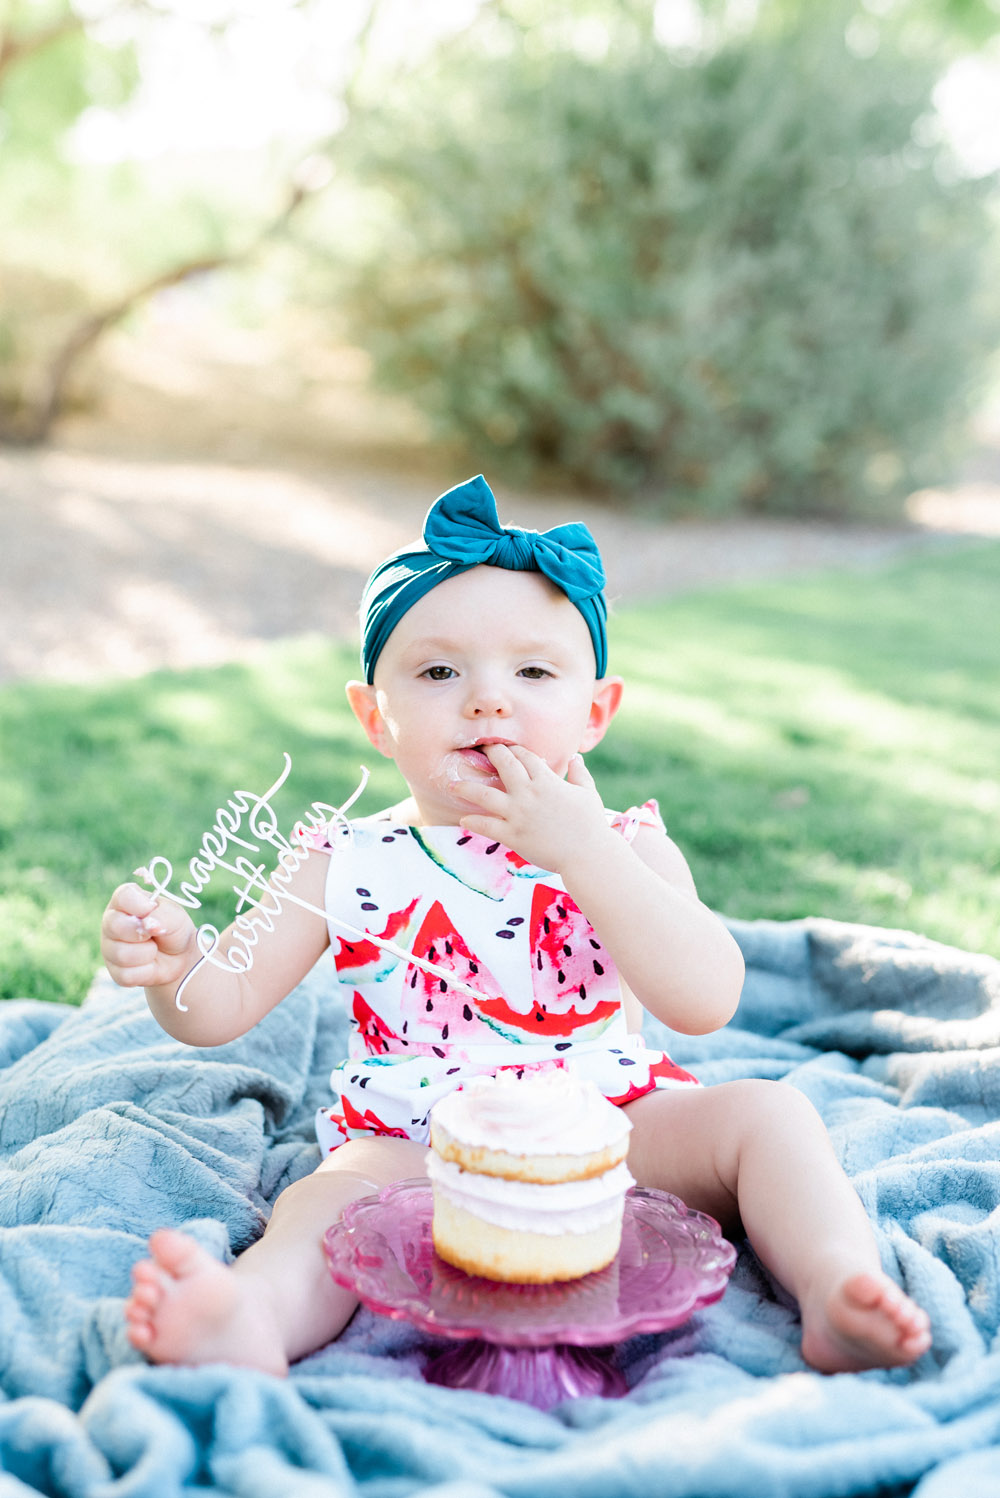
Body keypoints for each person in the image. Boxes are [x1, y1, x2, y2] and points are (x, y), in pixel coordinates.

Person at [101, 475, 931, 1377]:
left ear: (595, 712)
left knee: (768, 1115)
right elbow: (217, 1009)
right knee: (323, 1203)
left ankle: (836, 1285)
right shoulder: (342, 855)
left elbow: (706, 1001)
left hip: (609, 1127)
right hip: (417, 1142)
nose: (488, 701)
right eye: (438, 671)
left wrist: (584, 852)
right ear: (375, 718)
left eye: (533, 672)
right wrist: (176, 966)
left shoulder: (626, 847)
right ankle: (251, 1319)